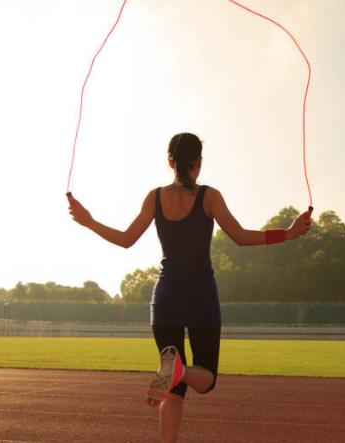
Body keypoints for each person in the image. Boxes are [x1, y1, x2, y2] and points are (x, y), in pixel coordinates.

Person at [67, 132, 312, 443]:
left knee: (173, 388)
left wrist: (89, 220)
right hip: (200, 297)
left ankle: (175, 375)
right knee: (206, 379)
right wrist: (288, 234)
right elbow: (240, 236)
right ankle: (180, 371)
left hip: (166, 297)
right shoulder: (209, 196)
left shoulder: (154, 197)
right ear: (199, 163)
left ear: (170, 162)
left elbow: (126, 240)